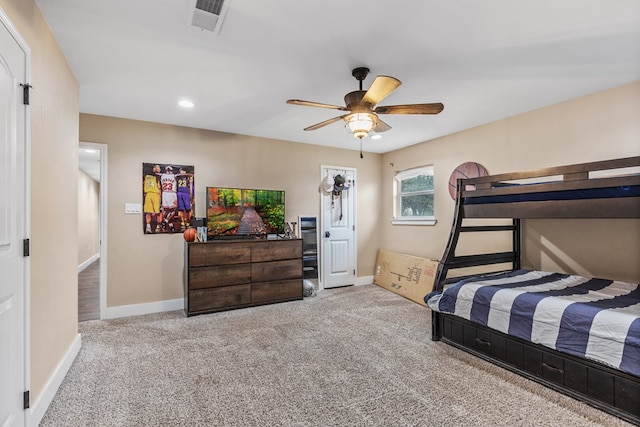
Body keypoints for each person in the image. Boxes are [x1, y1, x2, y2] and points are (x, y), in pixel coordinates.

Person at [143, 164, 162, 233]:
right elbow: (159, 187)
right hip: (152, 194)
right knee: (150, 212)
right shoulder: (155, 176)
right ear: (154, 168)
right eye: (158, 168)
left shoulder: (147, 176)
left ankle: (157, 226)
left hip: (151, 194)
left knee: (156, 212)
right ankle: (149, 227)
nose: (159, 169)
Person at [159, 165, 178, 231]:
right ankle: (166, 221)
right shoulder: (174, 175)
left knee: (166, 210)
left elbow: (155, 174)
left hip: (165, 193)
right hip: (171, 193)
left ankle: (168, 224)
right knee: (173, 210)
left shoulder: (162, 175)